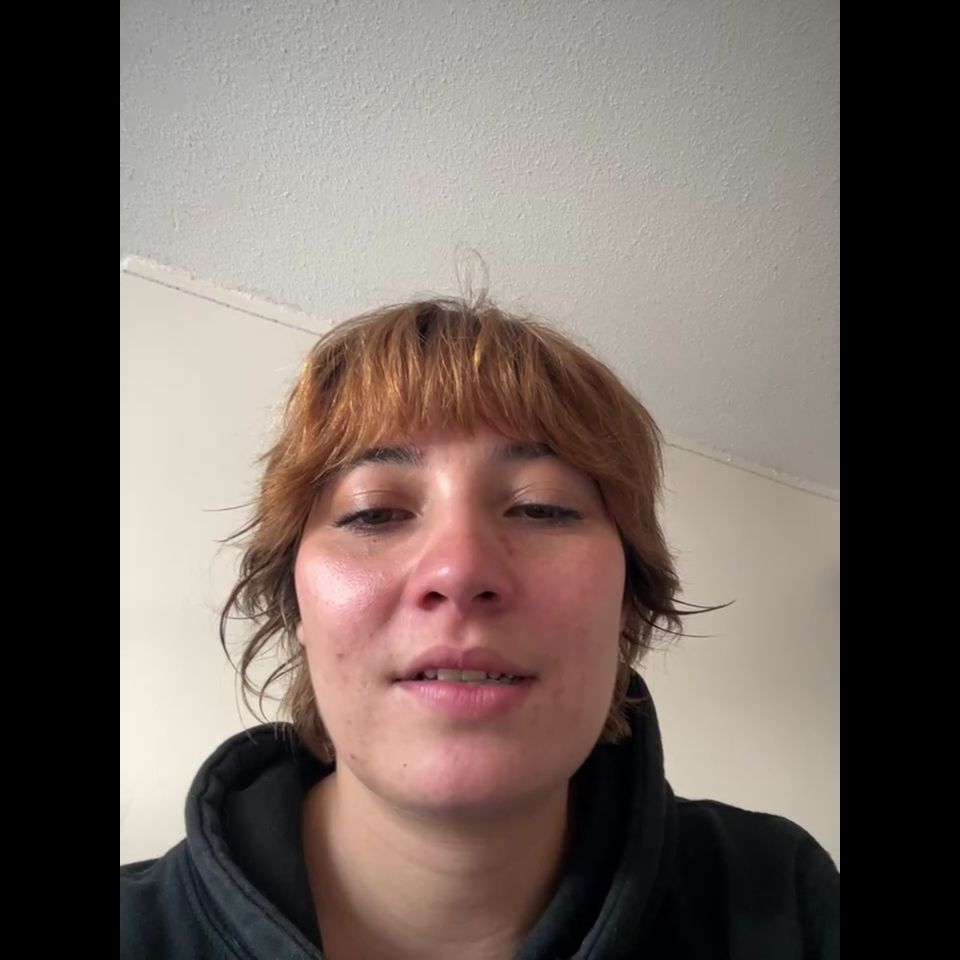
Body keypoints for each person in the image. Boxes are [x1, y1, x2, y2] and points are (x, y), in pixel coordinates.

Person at [120, 295, 840, 959]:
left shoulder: (784, 898)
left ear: (628, 601)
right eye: (374, 512)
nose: (459, 569)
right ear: (297, 606)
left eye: (541, 508)